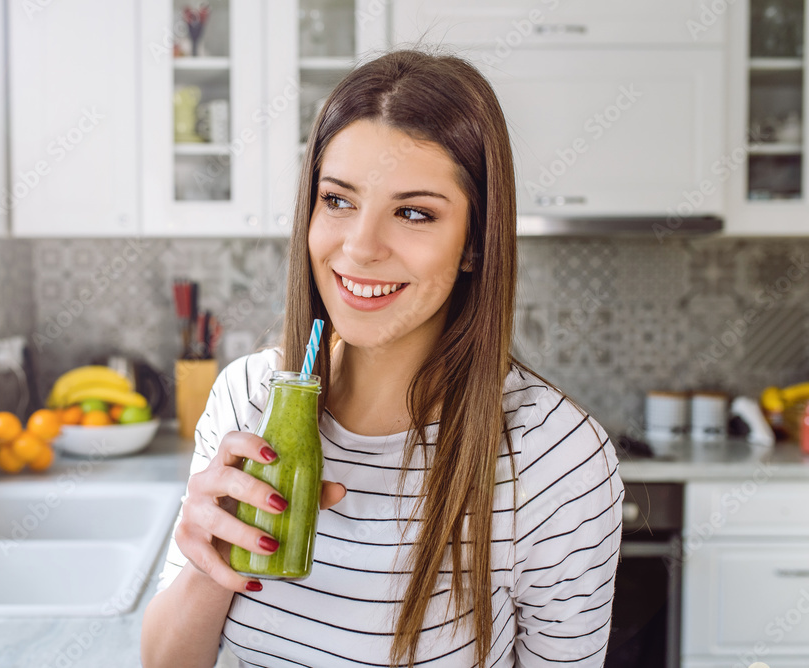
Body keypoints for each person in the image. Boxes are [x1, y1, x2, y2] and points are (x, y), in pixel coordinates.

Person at [140, 49, 623, 668]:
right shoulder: (248, 398)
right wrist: (210, 565)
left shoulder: (554, 457)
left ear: (474, 243)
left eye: (414, 212)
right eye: (337, 200)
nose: (360, 247)